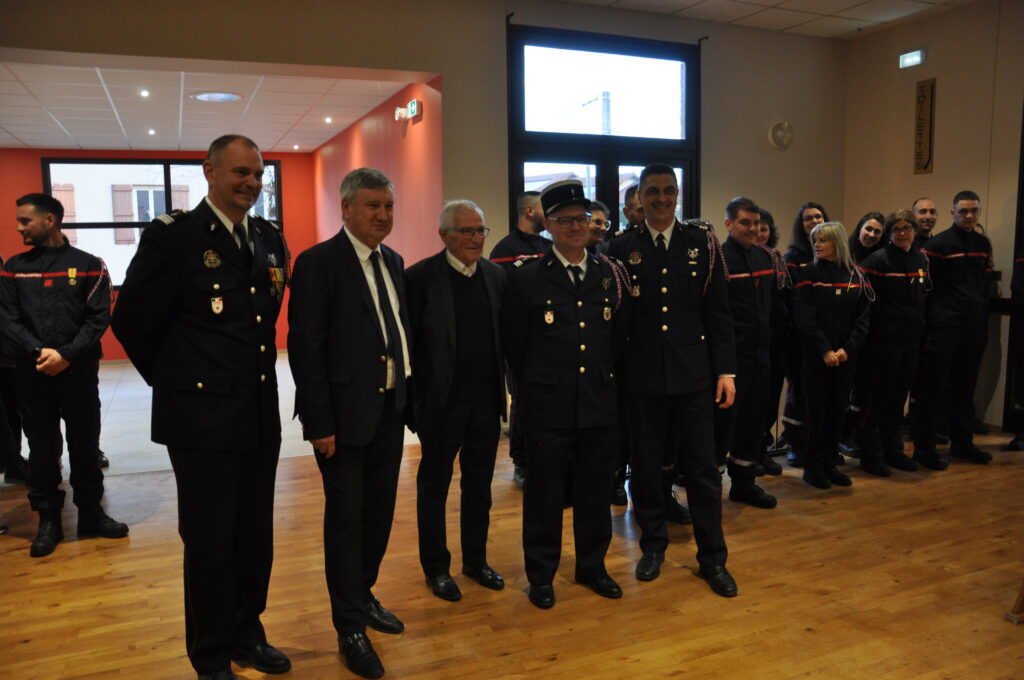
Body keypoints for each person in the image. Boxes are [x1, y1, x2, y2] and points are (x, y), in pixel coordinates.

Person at [111, 135, 290, 680]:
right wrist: (180, 385)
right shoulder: (175, 237)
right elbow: (132, 320)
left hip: (258, 412)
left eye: (258, 174)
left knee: (255, 535)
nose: (251, 183)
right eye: (240, 172)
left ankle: (246, 632)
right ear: (209, 171)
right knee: (210, 541)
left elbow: (261, 322)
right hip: (201, 422)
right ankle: (210, 654)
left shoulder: (268, 238)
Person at [287, 167, 411, 680]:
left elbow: (397, 333)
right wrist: (319, 421)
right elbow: (305, 347)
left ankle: (363, 595)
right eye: (372, 206)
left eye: (388, 206)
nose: (383, 215)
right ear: (346, 208)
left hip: (388, 413)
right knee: (346, 523)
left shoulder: (394, 261)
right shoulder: (318, 263)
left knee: (378, 515)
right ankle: (349, 628)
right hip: (341, 420)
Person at [607, 164, 738, 597]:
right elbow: (618, 321)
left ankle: (713, 558)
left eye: (668, 190)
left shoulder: (702, 243)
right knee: (646, 468)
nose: (661, 199)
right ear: (639, 197)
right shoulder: (621, 248)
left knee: (702, 470)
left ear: (677, 194)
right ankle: (653, 546)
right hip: (642, 378)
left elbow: (718, 312)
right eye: (652, 191)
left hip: (694, 376)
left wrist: (725, 371)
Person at [501, 179, 630, 609]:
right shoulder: (528, 278)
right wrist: (537, 390)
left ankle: (592, 566)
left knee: (595, 489)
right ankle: (541, 574)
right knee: (545, 494)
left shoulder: (608, 275)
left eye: (582, 219)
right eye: (565, 220)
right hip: (547, 405)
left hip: (597, 401)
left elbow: (617, 338)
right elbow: (516, 347)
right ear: (549, 226)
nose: (576, 227)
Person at [0, 193, 127, 559]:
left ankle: (91, 514)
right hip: (33, 372)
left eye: (25, 220)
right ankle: (49, 521)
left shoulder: (89, 265)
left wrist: (67, 355)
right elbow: (7, 318)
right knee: (42, 449)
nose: (19, 227)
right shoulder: (14, 268)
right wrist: (39, 352)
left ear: (50, 221)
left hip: (78, 372)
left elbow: (97, 318)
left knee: (85, 445)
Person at [405, 199, 507, 602]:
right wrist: (413, 405)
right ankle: (436, 568)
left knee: (479, 486)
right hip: (440, 404)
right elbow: (409, 344)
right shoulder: (419, 278)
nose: (475, 238)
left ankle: (476, 561)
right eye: (466, 231)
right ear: (444, 235)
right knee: (434, 487)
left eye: (480, 230)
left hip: (485, 402)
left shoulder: (496, 276)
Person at [716, 197, 789, 509]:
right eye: (745, 223)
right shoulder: (718, 260)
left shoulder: (765, 258)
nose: (753, 229)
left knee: (753, 424)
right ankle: (711, 489)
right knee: (722, 427)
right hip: (731, 361)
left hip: (761, 356)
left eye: (757, 223)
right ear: (729, 224)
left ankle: (744, 485)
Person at [912, 190, 994, 469]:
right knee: (933, 388)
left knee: (965, 387)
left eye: (974, 211)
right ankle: (924, 448)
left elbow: (985, 283)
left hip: (974, 326)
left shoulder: (983, 243)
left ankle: (962, 443)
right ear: (953, 213)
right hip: (944, 326)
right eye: (963, 211)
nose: (969, 216)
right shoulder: (937, 245)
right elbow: (925, 287)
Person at [794, 222, 871, 489]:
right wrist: (825, 349)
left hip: (845, 358)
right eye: (815, 240)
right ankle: (813, 467)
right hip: (816, 358)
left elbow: (863, 319)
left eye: (823, 240)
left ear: (837, 242)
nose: (816, 244)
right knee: (815, 415)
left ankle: (830, 464)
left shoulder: (856, 275)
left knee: (837, 413)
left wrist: (847, 349)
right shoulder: (809, 273)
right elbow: (804, 318)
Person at [856, 210, 928, 475]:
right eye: (896, 229)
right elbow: (862, 303)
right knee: (877, 400)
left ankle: (893, 451)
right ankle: (870, 455)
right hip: (882, 342)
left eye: (907, 227)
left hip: (910, 341)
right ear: (889, 233)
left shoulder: (921, 259)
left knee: (898, 400)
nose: (902, 233)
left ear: (914, 230)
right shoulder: (877, 260)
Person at [490, 191, 551, 489]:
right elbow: (500, 297)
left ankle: (544, 459)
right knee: (523, 403)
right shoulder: (505, 249)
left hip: (549, 340)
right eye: (543, 208)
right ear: (529, 211)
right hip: (519, 341)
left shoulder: (549, 247)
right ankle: (521, 461)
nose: (547, 213)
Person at [780, 202, 828, 467]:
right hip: (799, 338)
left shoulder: (833, 257)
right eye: (808, 218)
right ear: (801, 225)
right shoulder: (792, 258)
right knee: (798, 392)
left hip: (827, 338)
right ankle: (795, 444)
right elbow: (793, 300)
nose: (814, 221)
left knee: (821, 394)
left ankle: (819, 445)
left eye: (819, 216)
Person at [840, 211, 887, 457]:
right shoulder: (844, 256)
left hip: (873, 333)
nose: (871, 234)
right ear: (859, 229)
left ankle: (857, 434)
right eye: (868, 229)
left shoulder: (882, 259)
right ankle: (841, 436)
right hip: (847, 333)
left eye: (877, 231)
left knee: (865, 388)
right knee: (846, 387)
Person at [757, 208, 788, 474]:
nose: (759, 233)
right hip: (751, 343)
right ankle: (747, 455)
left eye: (764, 229)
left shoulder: (777, 259)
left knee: (770, 400)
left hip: (776, 342)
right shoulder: (731, 260)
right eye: (755, 228)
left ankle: (762, 450)